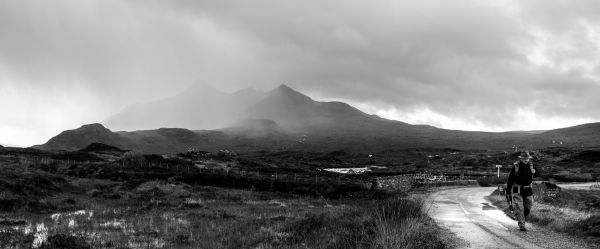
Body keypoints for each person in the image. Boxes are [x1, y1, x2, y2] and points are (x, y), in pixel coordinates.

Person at [506, 151, 540, 231]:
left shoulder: (531, 165)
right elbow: (510, 179)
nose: (526, 160)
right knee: (520, 208)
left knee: (528, 207)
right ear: (521, 159)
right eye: (524, 158)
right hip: (517, 190)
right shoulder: (516, 166)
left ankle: (520, 216)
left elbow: (538, 174)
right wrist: (508, 190)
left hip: (528, 190)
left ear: (529, 158)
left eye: (527, 158)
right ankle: (522, 225)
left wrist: (535, 172)